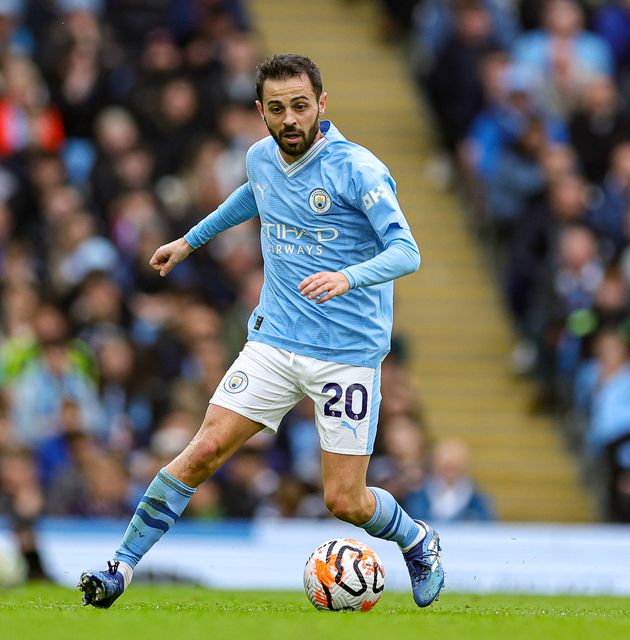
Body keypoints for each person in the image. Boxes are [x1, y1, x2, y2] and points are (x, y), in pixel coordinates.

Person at [77, 53, 443, 608]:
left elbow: (406, 251)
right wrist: (189, 241)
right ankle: (120, 567)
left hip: (346, 354)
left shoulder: (357, 169)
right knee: (201, 450)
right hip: (274, 342)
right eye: (277, 109)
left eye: (300, 105)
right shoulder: (261, 159)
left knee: (344, 500)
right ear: (261, 112)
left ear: (322, 104)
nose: (290, 118)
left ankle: (417, 540)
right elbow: (253, 193)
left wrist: (348, 277)